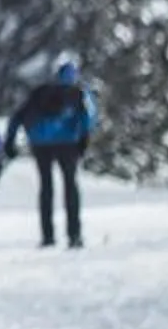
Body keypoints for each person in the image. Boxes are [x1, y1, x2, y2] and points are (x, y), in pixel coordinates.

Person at [6, 57, 101, 250]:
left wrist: (10, 142)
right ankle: (74, 235)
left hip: (41, 144)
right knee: (70, 186)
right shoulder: (78, 93)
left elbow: (18, 116)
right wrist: (84, 139)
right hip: (68, 143)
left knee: (46, 188)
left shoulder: (40, 93)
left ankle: (48, 236)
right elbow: (89, 118)